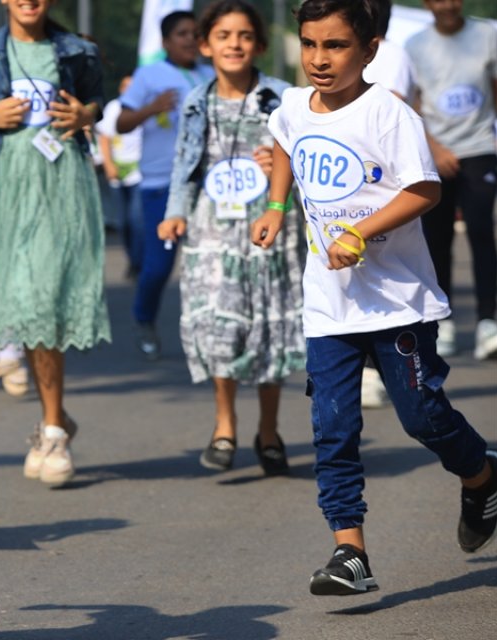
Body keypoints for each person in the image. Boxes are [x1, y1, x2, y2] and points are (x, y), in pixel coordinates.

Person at [254, 0, 497, 595]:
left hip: (398, 301)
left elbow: (425, 189)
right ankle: (349, 550)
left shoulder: (387, 114)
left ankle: (482, 475)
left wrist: (360, 231)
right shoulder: (291, 104)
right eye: (310, 44)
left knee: (421, 415)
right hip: (328, 303)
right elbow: (285, 141)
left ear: (369, 50)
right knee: (332, 425)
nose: (318, 58)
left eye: (334, 46)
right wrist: (277, 204)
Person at [0, 0, 108, 484]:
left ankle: (53, 428)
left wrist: (85, 113)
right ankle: (55, 416)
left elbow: (101, 101)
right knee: (26, 302)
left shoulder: (76, 50)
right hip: (1, 191)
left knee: (42, 298)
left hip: (61, 187)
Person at [155, 0, 305, 475]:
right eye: (223, 36)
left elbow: (308, 156)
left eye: (243, 36)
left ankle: (268, 431)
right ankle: (224, 426)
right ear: (205, 45)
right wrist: (174, 213)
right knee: (219, 325)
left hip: (271, 225)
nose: (234, 44)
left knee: (265, 328)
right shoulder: (197, 100)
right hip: (211, 228)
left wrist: (283, 163)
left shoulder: (284, 96)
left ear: (258, 45)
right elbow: (186, 163)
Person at [117, 10, 215, 360]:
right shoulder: (150, 75)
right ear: (165, 41)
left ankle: (210, 333)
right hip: (160, 184)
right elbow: (122, 123)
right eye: (181, 34)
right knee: (158, 265)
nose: (189, 39)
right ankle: (144, 318)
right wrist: (151, 107)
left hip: (206, 184)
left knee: (209, 263)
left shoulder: (210, 74)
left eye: (194, 33)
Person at [406, 0, 497, 361]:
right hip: (435, 153)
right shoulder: (414, 45)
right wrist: (435, 148)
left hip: (479, 149)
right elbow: (412, 104)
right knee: (437, 238)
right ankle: (441, 321)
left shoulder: (486, 34)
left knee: (479, 230)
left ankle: (487, 323)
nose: (447, 4)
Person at [356, 0, 409, 409]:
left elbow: (398, 108)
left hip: (380, 184)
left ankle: (382, 370)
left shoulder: (391, 55)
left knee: (377, 275)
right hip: (344, 186)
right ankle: (368, 369)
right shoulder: (332, 48)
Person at [97, 75, 145, 280]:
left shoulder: (145, 107)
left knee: (137, 220)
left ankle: (138, 263)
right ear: (120, 88)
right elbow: (105, 137)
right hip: (118, 170)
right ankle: (132, 259)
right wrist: (108, 165)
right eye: (126, 86)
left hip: (140, 171)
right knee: (123, 222)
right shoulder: (114, 108)